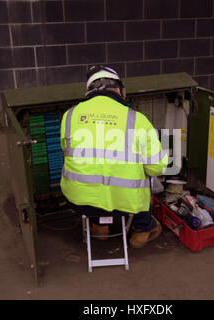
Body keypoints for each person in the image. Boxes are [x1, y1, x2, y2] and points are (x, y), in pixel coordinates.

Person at [60, 65, 168, 248]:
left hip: (79, 201)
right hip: (127, 203)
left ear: (90, 90)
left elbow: (67, 153)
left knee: (96, 190)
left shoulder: (69, 116)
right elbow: (156, 168)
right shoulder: (138, 120)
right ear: (118, 89)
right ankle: (141, 232)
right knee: (145, 181)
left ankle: (100, 228)